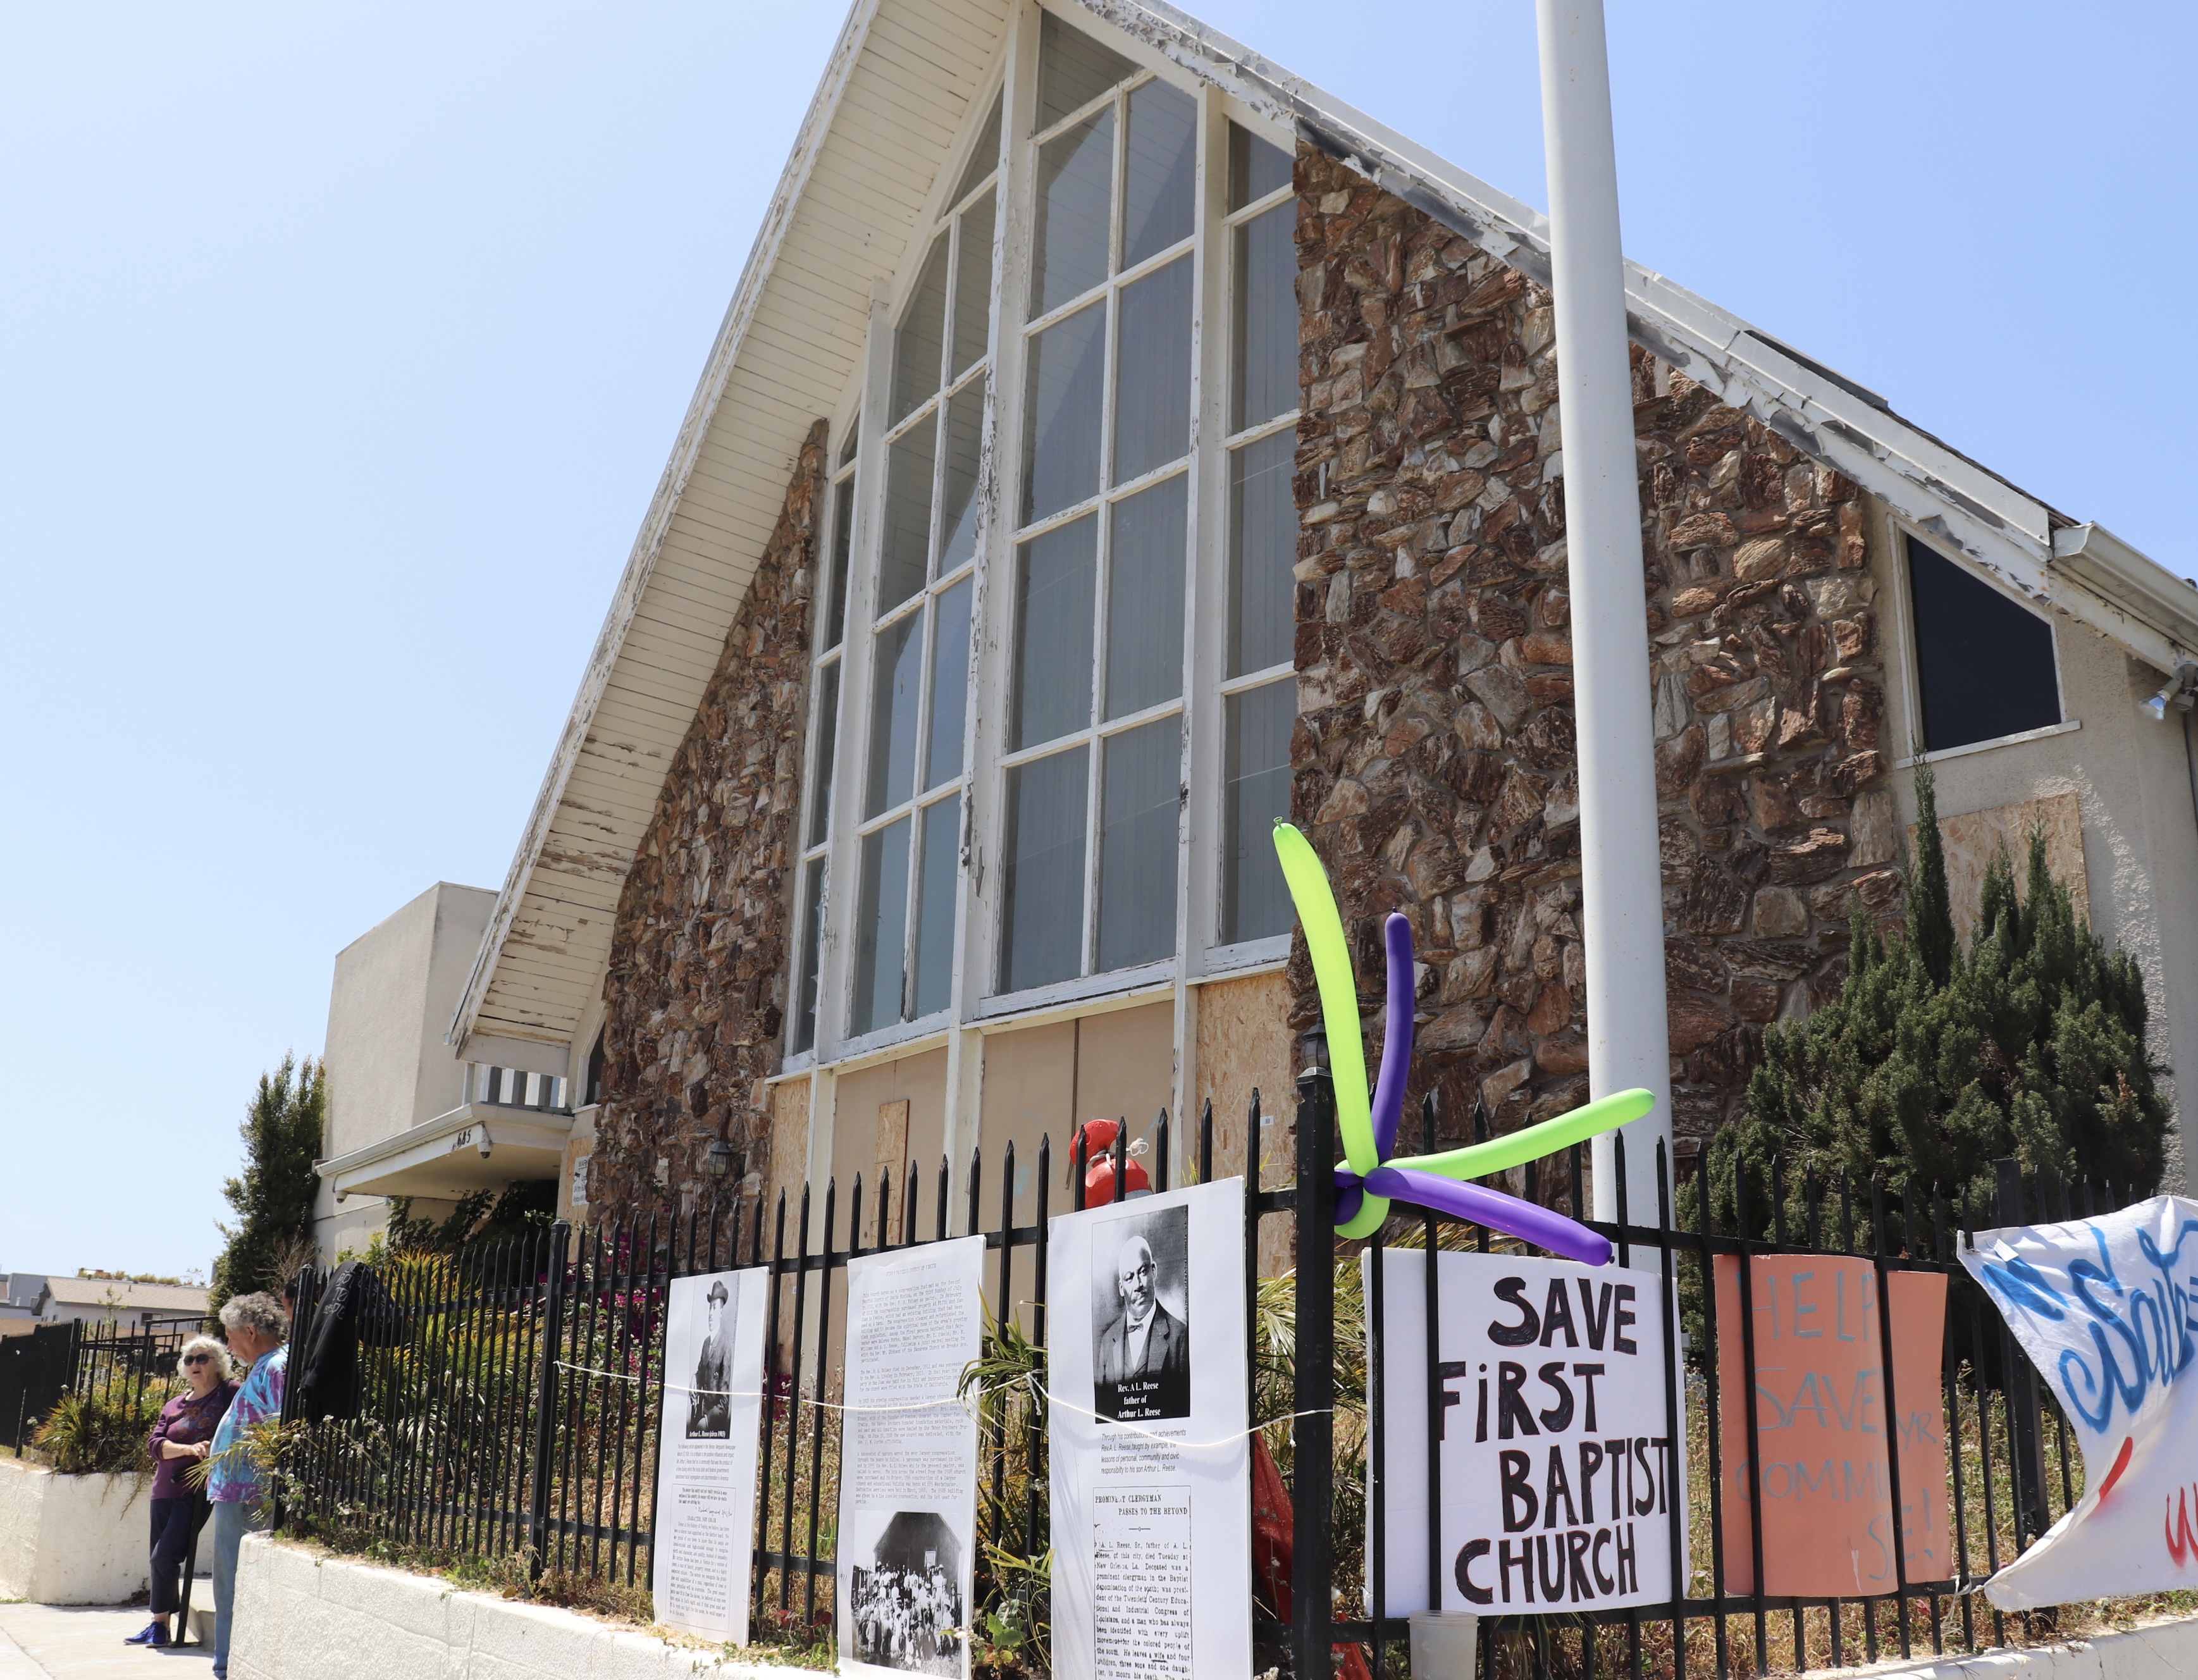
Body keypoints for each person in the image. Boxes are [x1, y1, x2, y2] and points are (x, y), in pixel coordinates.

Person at [123, 1337, 238, 1646]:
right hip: (164, 1488)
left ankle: (160, 1624)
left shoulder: (229, 1393)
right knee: (159, 1559)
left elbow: (243, 1428)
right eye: (189, 1360)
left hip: (197, 1490)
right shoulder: (175, 1404)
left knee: (164, 1557)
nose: (195, 1365)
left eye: (202, 1358)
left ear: (218, 1362)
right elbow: (155, 1445)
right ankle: (159, 1625)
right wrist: (187, 1448)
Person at [206, 1293, 289, 1680]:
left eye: (231, 1336)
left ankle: (227, 1664)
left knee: (232, 1582)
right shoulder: (266, 1365)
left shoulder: (276, 1367)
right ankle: (226, 1660)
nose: (228, 1346)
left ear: (251, 1332)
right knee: (227, 1581)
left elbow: (281, 1430)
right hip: (237, 1493)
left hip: (247, 1495)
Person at [1094, 1232, 1189, 1420]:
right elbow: (1101, 1413)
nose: (1138, 1285)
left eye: (1143, 1272)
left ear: (1153, 1271)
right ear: (1121, 1288)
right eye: (1129, 1278)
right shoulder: (1107, 1341)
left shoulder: (1180, 1336)